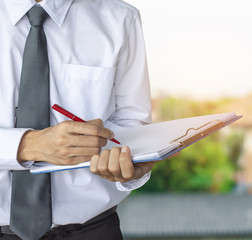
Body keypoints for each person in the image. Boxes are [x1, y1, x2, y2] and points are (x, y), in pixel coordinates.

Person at [0, 0, 177, 239]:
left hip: (93, 230)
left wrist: (131, 162)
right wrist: (29, 145)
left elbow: (132, 121)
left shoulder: (120, 18)